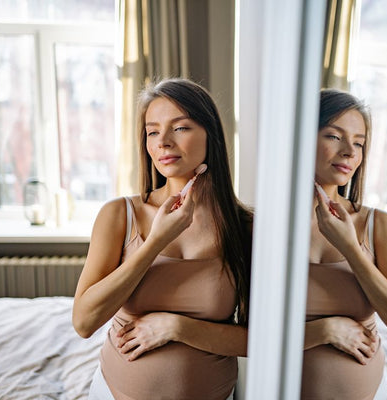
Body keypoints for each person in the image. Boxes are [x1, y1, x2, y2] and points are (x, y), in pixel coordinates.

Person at [72, 77, 252, 400]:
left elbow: (261, 341)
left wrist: (176, 327)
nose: (163, 142)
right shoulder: (119, 216)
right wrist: (154, 242)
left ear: (211, 134)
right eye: (152, 131)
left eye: (180, 128)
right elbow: (84, 322)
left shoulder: (245, 227)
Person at [301, 89, 387, 400]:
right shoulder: (260, 225)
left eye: (358, 143)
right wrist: (323, 331)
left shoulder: (378, 225)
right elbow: (243, 333)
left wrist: (352, 249)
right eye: (333, 136)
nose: (348, 152)